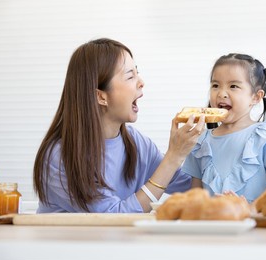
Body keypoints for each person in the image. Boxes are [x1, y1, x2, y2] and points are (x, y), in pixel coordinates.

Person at [33, 38, 206, 213]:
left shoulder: (137, 143)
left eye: (137, 73)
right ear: (101, 97)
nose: (141, 82)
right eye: (130, 76)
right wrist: (173, 156)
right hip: (72, 241)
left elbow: (194, 188)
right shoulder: (60, 156)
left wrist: (219, 139)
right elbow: (114, 218)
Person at [181, 53, 266, 203]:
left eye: (233, 86)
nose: (221, 93)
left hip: (255, 223)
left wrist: (252, 209)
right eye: (215, 85)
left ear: (255, 97)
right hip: (212, 224)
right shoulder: (199, 142)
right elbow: (195, 197)